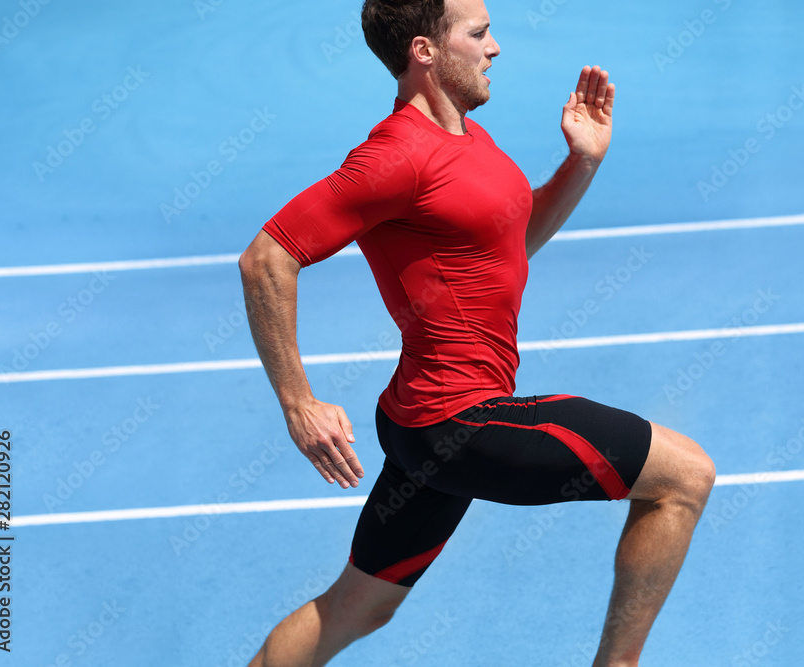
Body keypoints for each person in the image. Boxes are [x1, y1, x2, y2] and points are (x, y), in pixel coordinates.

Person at [238, 0, 715, 664]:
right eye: (479, 33)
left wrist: (581, 165)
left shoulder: (469, 140)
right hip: (456, 420)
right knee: (685, 475)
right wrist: (299, 402)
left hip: (420, 422)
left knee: (357, 606)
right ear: (425, 52)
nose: (495, 48)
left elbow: (508, 246)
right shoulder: (394, 156)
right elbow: (267, 256)